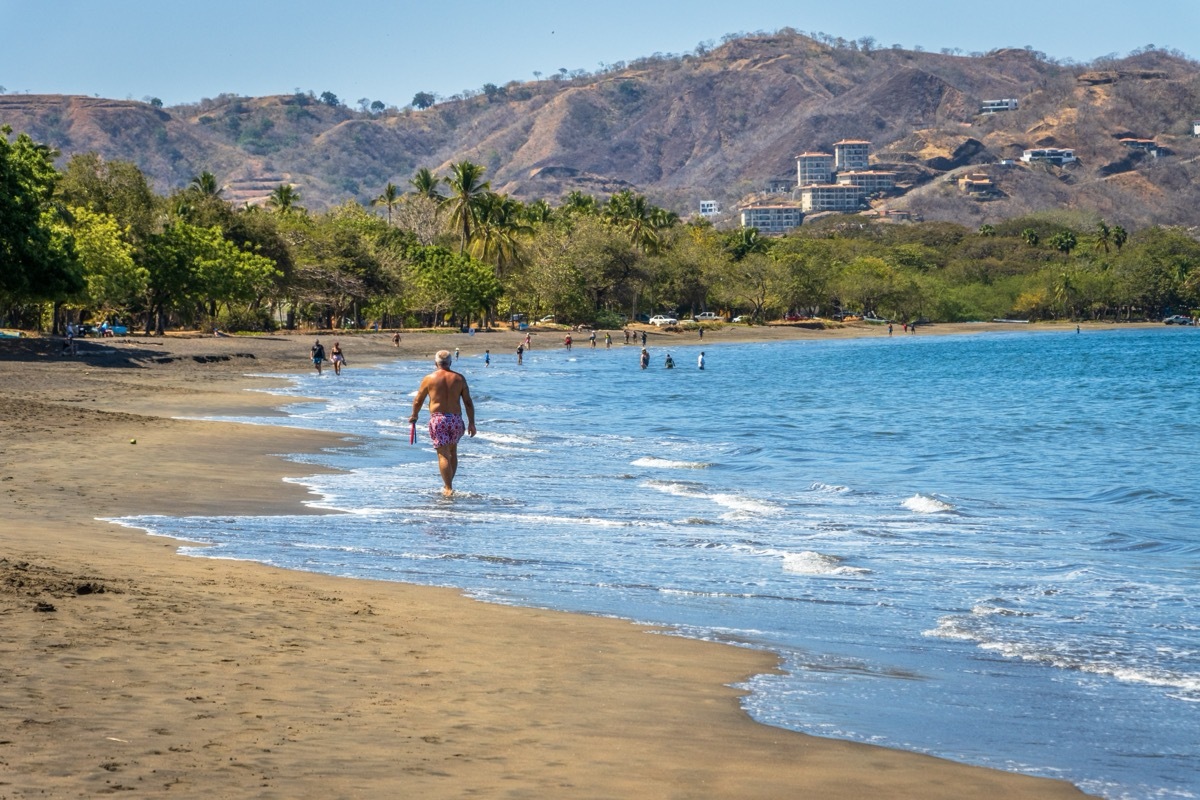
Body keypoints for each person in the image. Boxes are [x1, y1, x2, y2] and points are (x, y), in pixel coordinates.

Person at [409, 350, 476, 496]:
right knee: (452, 452)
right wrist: (471, 423)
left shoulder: (429, 378)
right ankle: (448, 485)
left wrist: (414, 415)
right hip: (456, 419)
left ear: (435, 363)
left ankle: (448, 488)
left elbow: (418, 400)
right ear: (450, 363)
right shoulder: (459, 378)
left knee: (443, 455)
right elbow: (468, 403)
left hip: (438, 419)